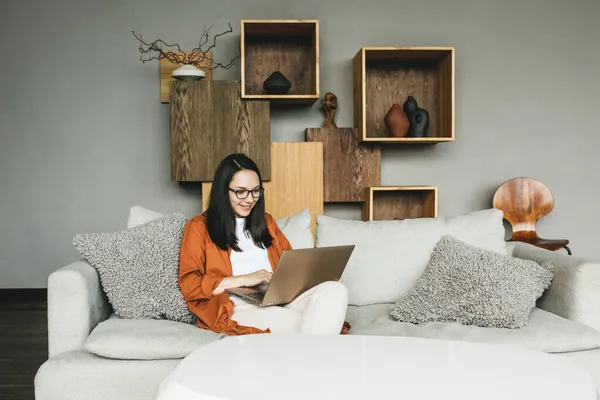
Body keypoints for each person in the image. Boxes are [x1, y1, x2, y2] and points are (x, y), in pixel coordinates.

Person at [178, 153, 349, 336]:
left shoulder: (266, 222)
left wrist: (320, 278)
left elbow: (291, 268)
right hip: (237, 305)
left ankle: (312, 343)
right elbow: (190, 285)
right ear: (223, 191)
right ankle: (319, 349)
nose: (250, 199)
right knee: (304, 322)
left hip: (280, 299)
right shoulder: (198, 227)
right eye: (240, 191)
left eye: (255, 190)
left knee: (336, 289)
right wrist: (244, 279)